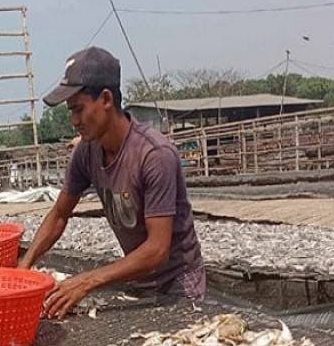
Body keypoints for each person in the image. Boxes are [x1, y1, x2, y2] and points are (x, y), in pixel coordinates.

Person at [19, 47, 205, 320]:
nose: (73, 121)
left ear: (106, 99)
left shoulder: (153, 155)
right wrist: (24, 266)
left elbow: (157, 250)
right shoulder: (87, 151)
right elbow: (59, 214)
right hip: (138, 279)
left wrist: (85, 282)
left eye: (79, 109)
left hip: (177, 282)